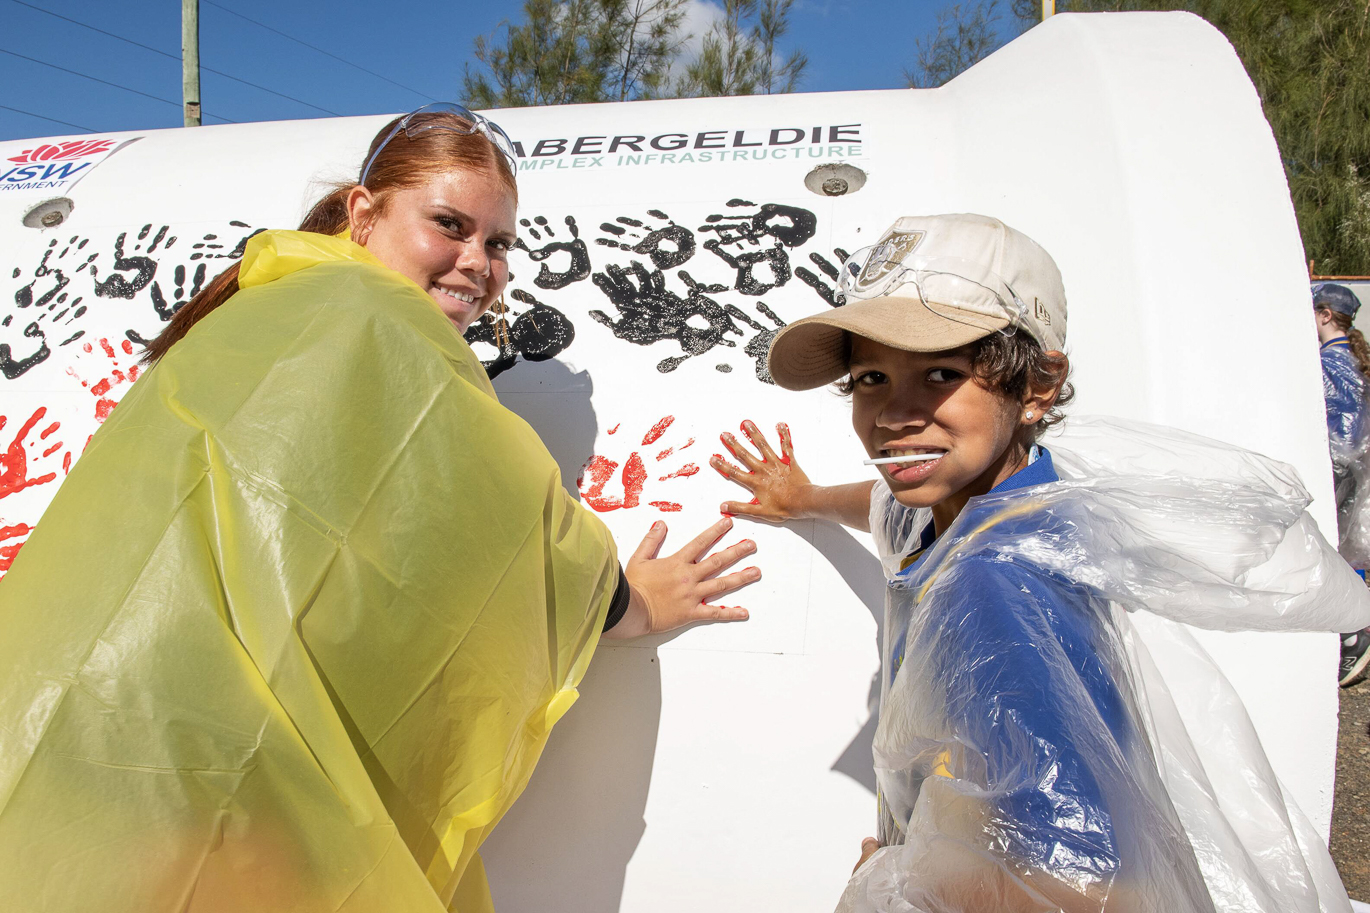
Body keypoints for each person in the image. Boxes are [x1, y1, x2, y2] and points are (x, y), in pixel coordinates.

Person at [0, 104, 759, 913]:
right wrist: (631, 602)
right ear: (363, 214)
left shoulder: (265, 302)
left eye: (498, 243)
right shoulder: (380, 324)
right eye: (449, 225)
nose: (477, 263)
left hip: (85, 719)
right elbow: (505, 502)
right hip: (191, 750)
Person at [713, 214, 1369, 912]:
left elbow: (1094, 891)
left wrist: (894, 878)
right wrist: (805, 496)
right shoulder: (1001, 492)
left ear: (1037, 385)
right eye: (871, 375)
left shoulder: (992, 582)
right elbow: (886, 500)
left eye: (940, 372)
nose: (895, 415)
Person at [1312, 281, 1370, 686]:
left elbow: (1344, 434)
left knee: (1332, 553)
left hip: (1337, 470)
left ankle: (1353, 635)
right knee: (1345, 552)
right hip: (1352, 473)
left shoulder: (1332, 364)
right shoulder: (1350, 357)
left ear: (1326, 315)